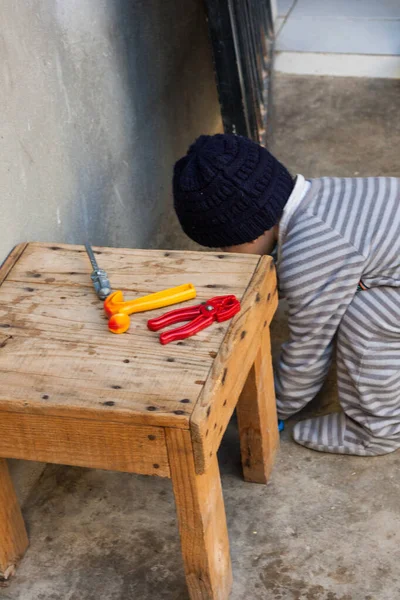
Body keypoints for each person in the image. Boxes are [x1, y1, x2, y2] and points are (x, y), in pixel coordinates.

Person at [172, 133, 400, 456]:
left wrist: (272, 405)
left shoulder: (310, 254)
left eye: (224, 245)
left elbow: (309, 351)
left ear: (249, 232)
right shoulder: (321, 194)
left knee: (366, 318)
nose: (226, 253)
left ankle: (376, 430)